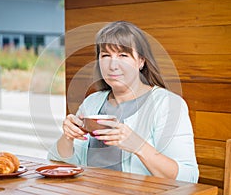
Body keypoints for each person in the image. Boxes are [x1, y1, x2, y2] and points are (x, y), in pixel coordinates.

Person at [48, 21, 199, 183]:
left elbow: (188, 178)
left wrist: (138, 146)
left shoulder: (168, 105)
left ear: (141, 61)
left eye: (123, 55)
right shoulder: (92, 102)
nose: (113, 65)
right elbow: (57, 164)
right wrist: (68, 137)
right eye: (106, 56)